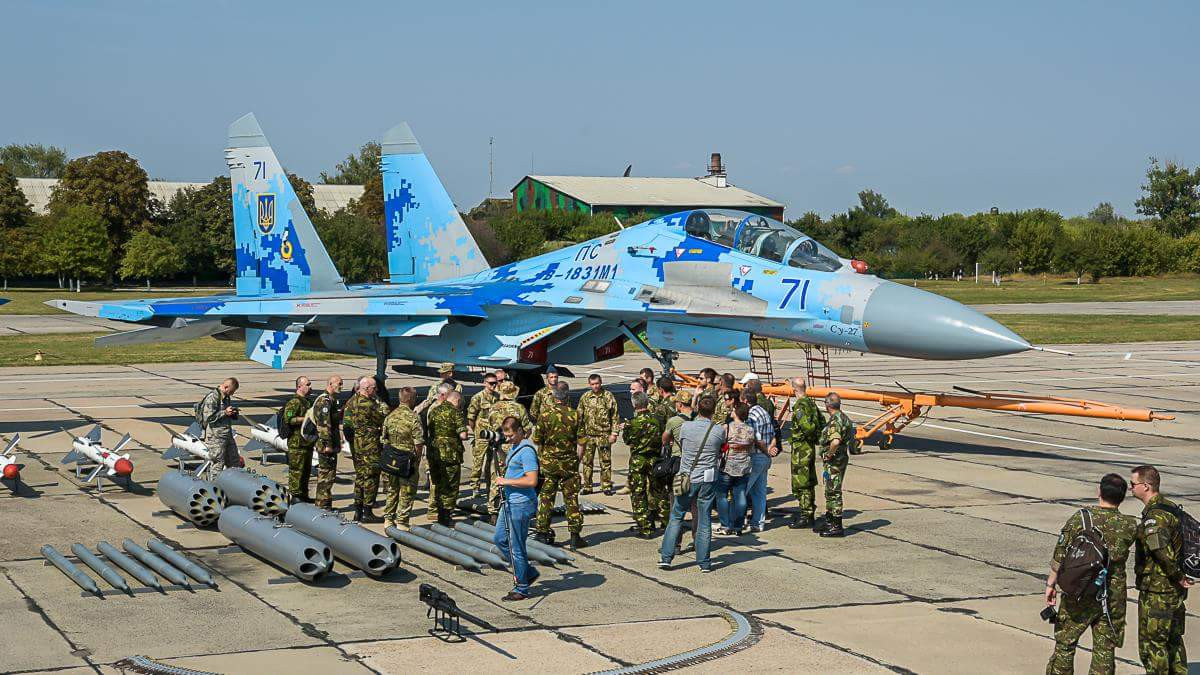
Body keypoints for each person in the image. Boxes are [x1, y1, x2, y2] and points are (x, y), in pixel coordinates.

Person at [1044, 473, 1138, 675]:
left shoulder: (1082, 518)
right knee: (1104, 650)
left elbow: (1060, 553)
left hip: (1080, 590)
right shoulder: (1129, 525)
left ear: (1099, 492)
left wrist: (1051, 584)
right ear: (1122, 497)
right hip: (1111, 596)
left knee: (1065, 645)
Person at [1130, 465, 1192, 673]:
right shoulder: (1169, 506)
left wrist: (1178, 576)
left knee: (1153, 646)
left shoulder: (1154, 518)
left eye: (1133, 484)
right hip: (1173, 591)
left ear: (1146, 486)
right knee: (1174, 643)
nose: (1130, 489)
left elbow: (1161, 552)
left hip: (1158, 591)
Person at [659, 396, 725, 572]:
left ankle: (666, 557)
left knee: (676, 515)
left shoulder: (686, 427)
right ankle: (704, 562)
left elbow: (680, 444)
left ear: (698, 408)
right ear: (714, 411)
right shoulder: (718, 430)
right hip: (707, 478)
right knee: (704, 519)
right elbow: (720, 447)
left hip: (687, 475)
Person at [492, 416, 541, 601]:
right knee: (500, 539)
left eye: (511, 435)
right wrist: (499, 451)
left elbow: (531, 480)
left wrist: (506, 481)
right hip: (510, 501)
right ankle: (527, 572)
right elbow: (511, 464)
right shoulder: (515, 447)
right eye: (506, 435)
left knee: (516, 546)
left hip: (521, 503)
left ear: (520, 430)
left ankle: (521, 587)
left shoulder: (527, 451)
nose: (508, 439)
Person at [532, 382, 585, 548]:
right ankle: (575, 536)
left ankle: (542, 532)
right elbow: (582, 442)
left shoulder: (545, 415)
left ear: (553, 398)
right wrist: (577, 459)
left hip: (550, 463)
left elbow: (536, 439)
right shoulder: (575, 414)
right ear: (566, 397)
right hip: (569, 462)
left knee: (546, 497)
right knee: (571, 498)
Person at [343, 376, 391, 522]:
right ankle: (367, 511)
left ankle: (358, 510)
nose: (376, 390)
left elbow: (348, 424)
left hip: (357, 445)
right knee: (371, 477)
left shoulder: (351, 401)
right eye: (374, 388)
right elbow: (384, 416)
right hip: (370, 446)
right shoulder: (370, 405)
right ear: (367, 389)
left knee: (360, 477)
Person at [485, 381, 532, 517]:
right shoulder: (519, 408)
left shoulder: (493, 408)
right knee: (516, 476)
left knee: (497, 477)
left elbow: (490, 426)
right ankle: (514, 506)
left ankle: (493, 510)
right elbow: (527, 428)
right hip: (515, 447)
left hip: (498, 447)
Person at [380, 387, 424, 529]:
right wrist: (416, 459)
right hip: (407, 460)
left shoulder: (390, 416)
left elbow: (384, 438)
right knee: (407, 491)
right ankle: (402, 521)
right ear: (411, 399)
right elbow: (418, 443)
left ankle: (388, 519)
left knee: (392, 489)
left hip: (392, 458)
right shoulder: (413, 418)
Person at [623, 392, 665, 539]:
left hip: (638, 460)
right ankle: (665, 521)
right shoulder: (657, 420)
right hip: (654, 459)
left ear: (634, 405)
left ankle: (645, 527)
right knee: (657, 491)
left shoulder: (632, 423)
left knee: (638, 493)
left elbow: (627, 440)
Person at [787, 378, 824, 530]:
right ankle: (808, 511)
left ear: (794, 389)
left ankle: (806, 514)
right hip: (808, 447)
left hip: (801, 448)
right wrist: (815, 438)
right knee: (808, 480)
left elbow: (807, 427)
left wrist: (807, 436)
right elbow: (822, 422)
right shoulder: (812, 404)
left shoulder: (800, 406)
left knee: (801, 482)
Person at [427, 389, 468, 525]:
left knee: (438, 483)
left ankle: (438, 512)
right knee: (450, 486)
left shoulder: (434, 411)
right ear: (456, 400)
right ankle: (446, 515)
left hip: (434, 453)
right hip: (450, 455)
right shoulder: (456, 413)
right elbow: (463, 435)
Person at [715, 402, 754, 535]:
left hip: (728, 466)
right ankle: (738, 525)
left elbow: (718, 443)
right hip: (744, 467)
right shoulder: (750, 429)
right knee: (740, 495)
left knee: (722, 495)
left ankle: (725, 525)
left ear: (736, 413)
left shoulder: (726, 428)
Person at [577, 374, 619, 496]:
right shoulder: (585, 397)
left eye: (597, 383)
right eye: (593, 384)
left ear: (601, 383)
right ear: (589, 384)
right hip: (589, 435)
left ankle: (606, 485)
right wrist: (580, 435)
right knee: (587, 462)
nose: (595, 386)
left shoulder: (608, 396)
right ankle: (587, 486)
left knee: (605, 462)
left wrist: (614, 433)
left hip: (604, 435)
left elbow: (615, 416)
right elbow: (580, 416)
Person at [818, 393, 853, 537]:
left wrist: (829, 454)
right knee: (830, 490)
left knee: (834, 492)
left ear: (827, 405)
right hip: (841, 458)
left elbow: (835, 441)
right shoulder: (844, 418)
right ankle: (830, 520)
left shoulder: (835, 421)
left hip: (835, 461)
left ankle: (836, 525)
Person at [743, 390, 778, 533]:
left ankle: (737, 522)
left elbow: (756, 439)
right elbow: (774, 434)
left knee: (742, 491)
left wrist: (765, 450)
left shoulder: (751, 415)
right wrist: (770, 450)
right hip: (765, 459)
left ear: (745, 401)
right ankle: (758, 523)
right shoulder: (763, 411)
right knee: (759, 492)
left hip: (756, 457)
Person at [311, 375, 344, 510]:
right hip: (326, 446)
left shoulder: (330, 400)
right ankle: (322, 505)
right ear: (331, 384)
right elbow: (324, 426)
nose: (341, 386)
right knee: (326, 475)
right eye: (339, 384)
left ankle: (325, 503)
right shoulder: (325, 402)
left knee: (329, 475)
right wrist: (328, 445)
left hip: (329, 444)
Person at [466, 373, 500, 497]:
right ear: (485, 383)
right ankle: (475, 487)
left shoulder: (497, 397)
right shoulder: (478, 397)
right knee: (478, 462)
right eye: (491, 383)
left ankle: (489, 485)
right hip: (481, 435)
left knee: (491, 462)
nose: (494, 385)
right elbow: (471, 417)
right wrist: (476, 431)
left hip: (493, 434)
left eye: (495, 383)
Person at [198, 377, 241, 475]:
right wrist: (225, 412)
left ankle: (233, 484)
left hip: (226, 434)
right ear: (226, 387)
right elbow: (208, 418)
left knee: (234, 462)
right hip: (216, 437)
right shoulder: (212, 397)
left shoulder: (225, 397)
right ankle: (215, 487)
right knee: (218, 463)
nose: (232, 394)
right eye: (232, 391)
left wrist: (232, 413)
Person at [282, 376, 314, 502]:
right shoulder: (294, 402)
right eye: (308, 384)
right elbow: (288, 419)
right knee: (296, 470)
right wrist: (306, 418)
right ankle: (295, 495)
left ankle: (304, 494)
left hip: (307, 442)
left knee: (306, 470)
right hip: (296, 443)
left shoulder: (308, 402)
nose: (310, 387)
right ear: (299, 386)